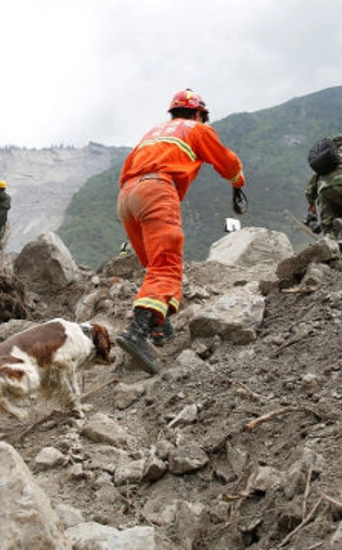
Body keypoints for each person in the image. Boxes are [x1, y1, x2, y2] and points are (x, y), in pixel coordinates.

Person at [115, 88, 247, 375]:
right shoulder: (196, 129)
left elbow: (126, 170)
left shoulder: (152, 133)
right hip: (157, 190)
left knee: (153, 264)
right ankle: (137, 332)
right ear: (199, 113)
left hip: (127, 196)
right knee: (166, 266)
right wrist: (238, 182)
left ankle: (160, 326)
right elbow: (227, 163)